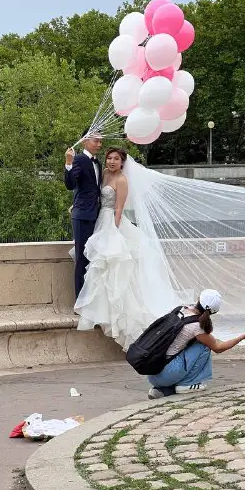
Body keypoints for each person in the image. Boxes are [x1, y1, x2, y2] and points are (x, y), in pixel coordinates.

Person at [74, 148, 158, 350]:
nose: (112, 161)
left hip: (111, 221)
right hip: (97, 219)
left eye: (116, 159)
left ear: (123, 162)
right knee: (96, 265)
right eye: (109, 158)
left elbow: (119, 208)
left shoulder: (122, 180)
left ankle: (117, 315)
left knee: (113, 266)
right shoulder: (103, 173)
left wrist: (114, 230)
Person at [147, 289, 245, 400]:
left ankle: (163, 389)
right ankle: (187, 384)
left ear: (198, 299)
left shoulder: (179, 309)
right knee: (204, 346)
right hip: (168, 374)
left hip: (152, 371)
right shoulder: (197, 326)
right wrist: (242, 337)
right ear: (214, 312)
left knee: (190, 344)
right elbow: (218, 347)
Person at [65, 133, 103, 298]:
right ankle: (80, 301)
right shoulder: (79, 159)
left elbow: (93, 190)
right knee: (82, 257)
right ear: (85, 141)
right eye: (96, 141)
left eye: (101, 141)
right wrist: (68, 162)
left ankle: (92, 298)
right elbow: (70, 184)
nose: (99, 144)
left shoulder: (98, 163)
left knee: (94, 257)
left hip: (96, 215)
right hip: (82, 216)